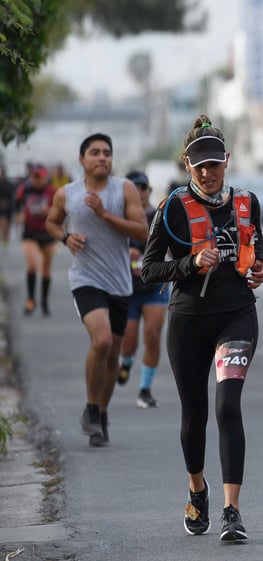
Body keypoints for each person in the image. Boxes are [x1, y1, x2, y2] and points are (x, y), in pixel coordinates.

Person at [141, 114, 263, 541]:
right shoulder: (172, 207)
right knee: (194, 416)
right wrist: (189, 263)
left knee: (228, 406)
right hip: (188, 321)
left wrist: (258, 272)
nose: (208, 173)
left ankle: (233, 512)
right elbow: (148, 269)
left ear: (227, 160)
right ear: (186, 164)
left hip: (236, 316)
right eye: (200, 167)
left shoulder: (247, 203)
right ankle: (198, 489)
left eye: (215, 164)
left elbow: (253, 255)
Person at [44, 133, 149, 447]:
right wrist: (65, 238)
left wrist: (105, 214)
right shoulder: (67, 194)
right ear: (82, 159)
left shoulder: (124, 189)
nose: (102, 157)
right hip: (85, 279)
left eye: (106, 153)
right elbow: (52, 222)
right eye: (95, 152)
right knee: (101, 340)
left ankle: (101, 414)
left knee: (113, 352)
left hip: (119, 281)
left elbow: (141, 229)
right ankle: (91, 408)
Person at [116, 170, 169, 408]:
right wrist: (124, 253)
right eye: (134, 187)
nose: (140, 192)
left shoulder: (160, 215)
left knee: (153, 334)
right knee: (128, 342)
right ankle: (126, 361)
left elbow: (171, 249)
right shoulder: (117, 217)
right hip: (127, 288)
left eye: (144, 187)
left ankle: (145, 389)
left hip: (154, 286)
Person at [15, 163, 58, 315]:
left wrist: (49, 211)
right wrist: (19, 216)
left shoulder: (52, 191)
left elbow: (61, 211)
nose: (37, 180)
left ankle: (44, 302)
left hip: (47, 232)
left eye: (39, 177)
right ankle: (31, 300)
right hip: (30, 233)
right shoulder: (25, 189)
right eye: (34, 177)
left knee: (46, 270)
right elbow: (17, 205)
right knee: (32, 265)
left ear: (45, 177)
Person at [0, 166, 15, 251]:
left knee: (7, 226)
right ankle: (3, 240)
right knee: (3, 224)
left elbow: (12, 196)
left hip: (8, 207)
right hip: (2, 208)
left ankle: (6, 241)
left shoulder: (9, 184)